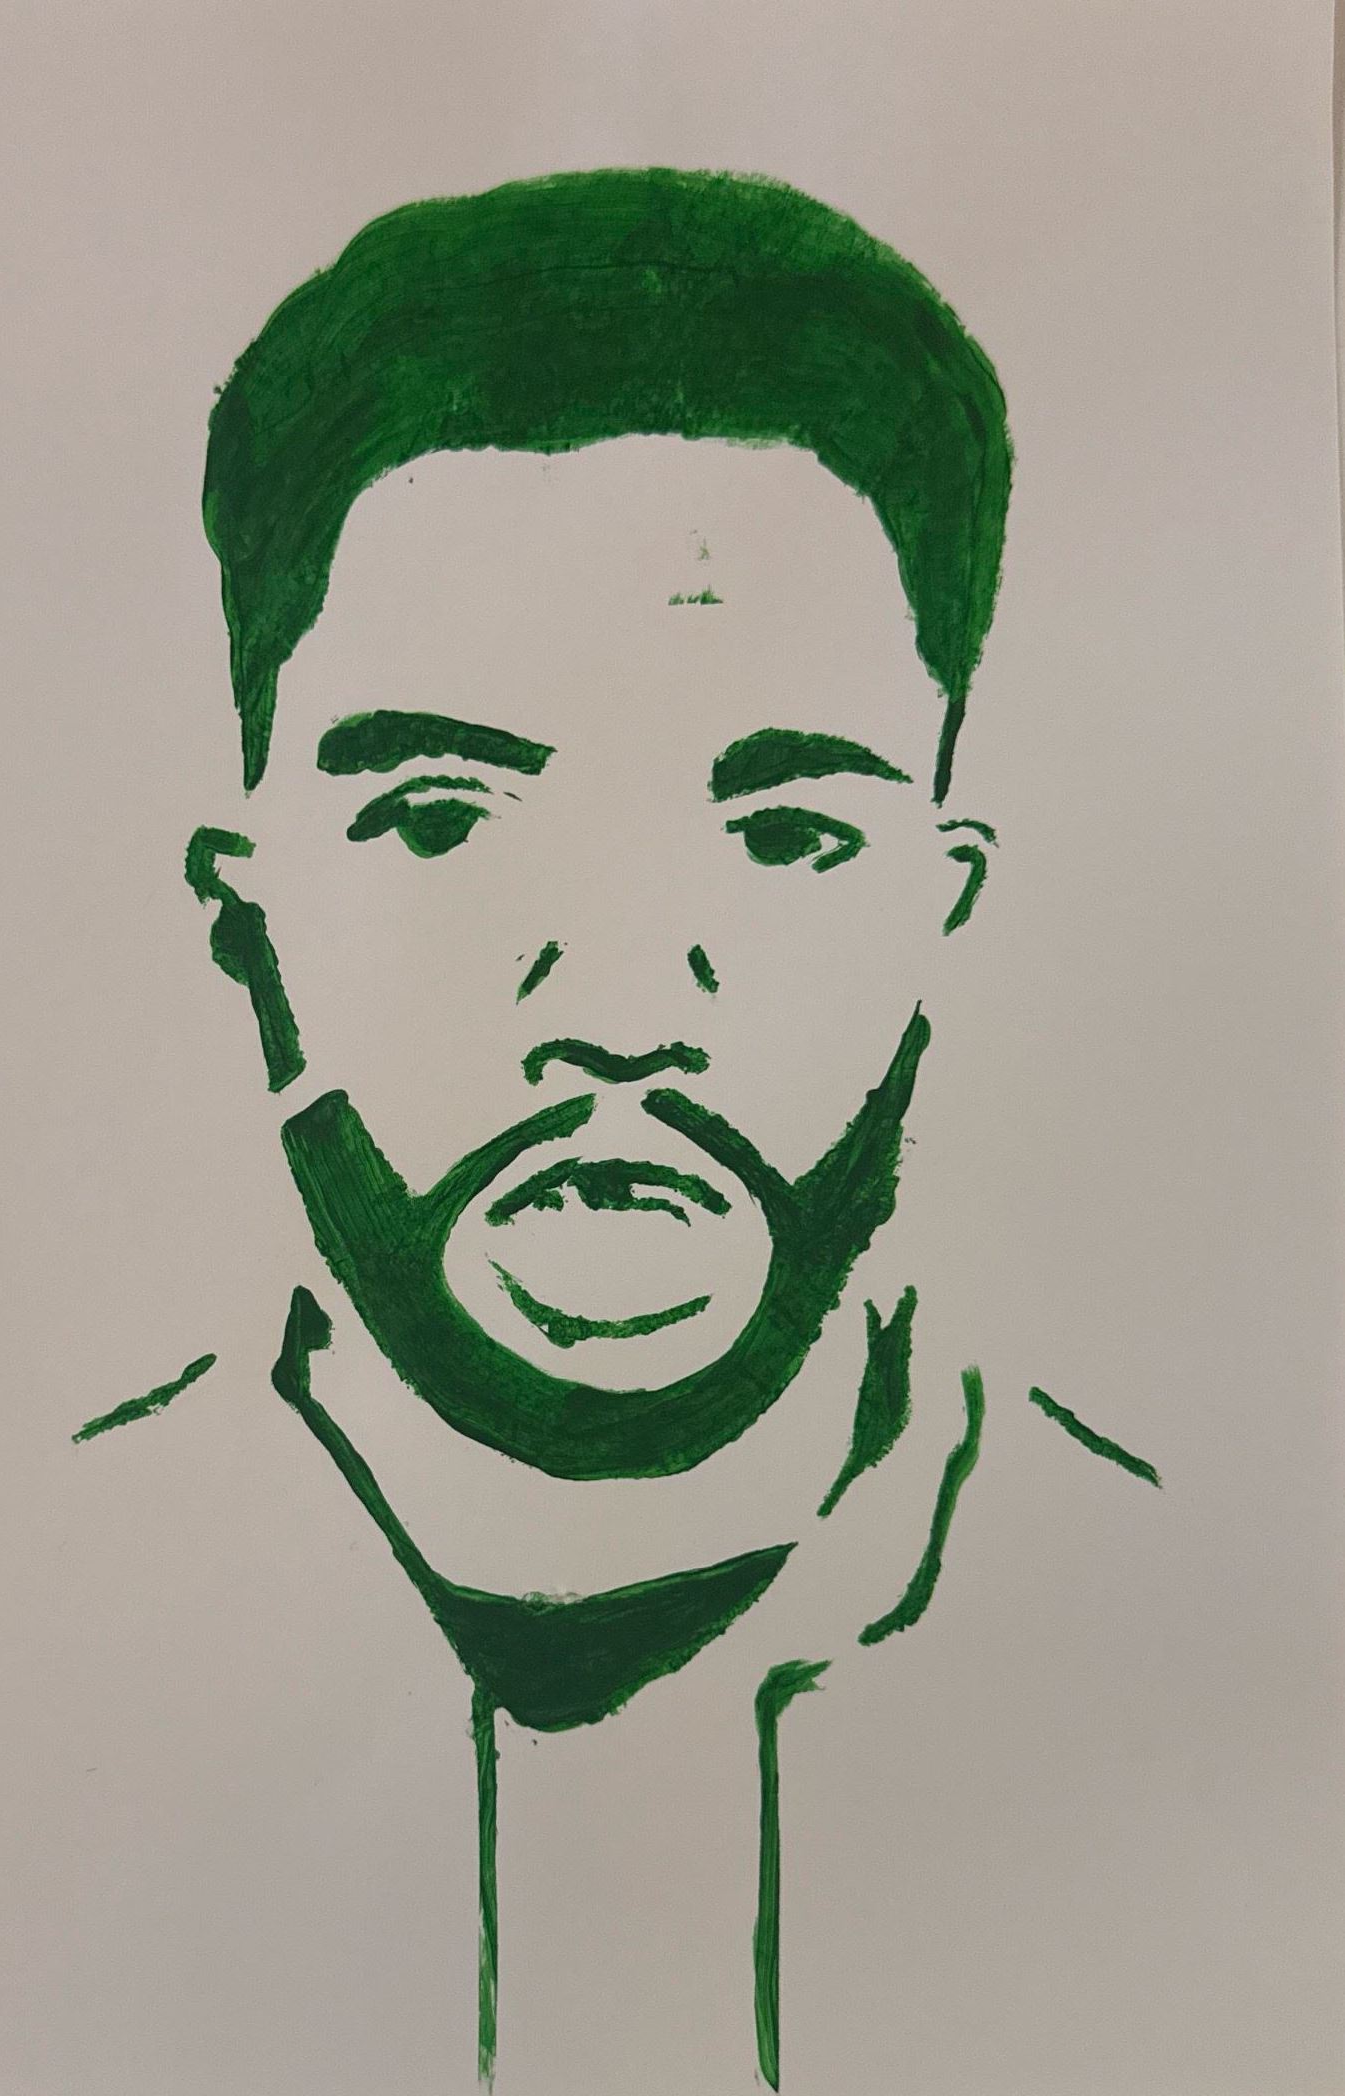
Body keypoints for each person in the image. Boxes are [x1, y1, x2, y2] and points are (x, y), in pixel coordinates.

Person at [77, 166, 1157, 2088]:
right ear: (248, 912)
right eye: (439, 817)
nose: (625, 1010)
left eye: (788, 836)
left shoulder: (1212, 1642)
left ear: (941, 907)